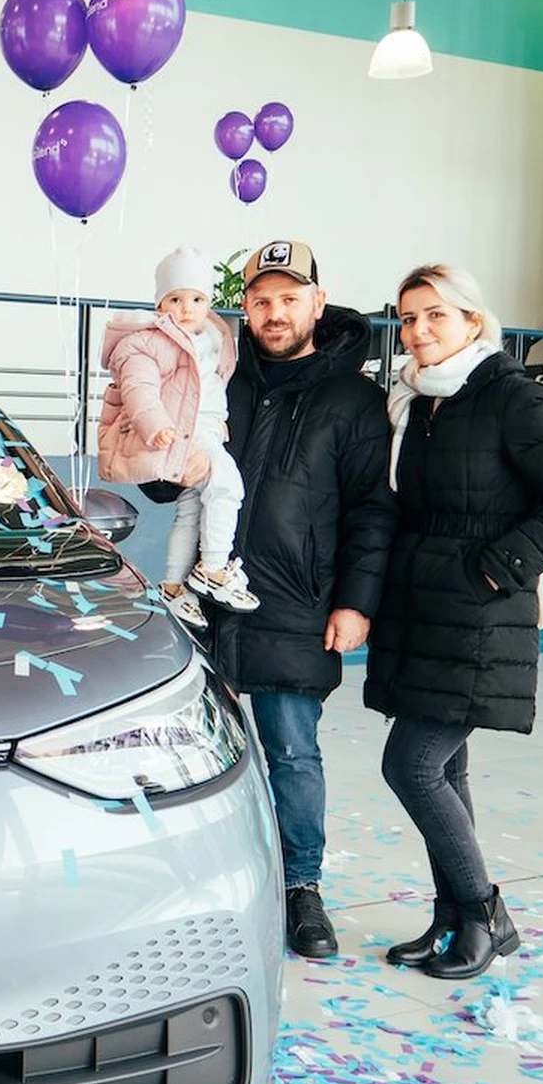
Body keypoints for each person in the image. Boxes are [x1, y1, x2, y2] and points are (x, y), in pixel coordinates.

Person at [365, 265, 543, 978]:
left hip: (476, 609)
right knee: (448, 767)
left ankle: (485, 913)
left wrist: (497, 568)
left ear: (473, 320)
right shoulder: (418, 403)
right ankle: (452, 920)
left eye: (435, 315)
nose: (419, 331)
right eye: (408, 319)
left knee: (410, 764)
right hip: (423, 608)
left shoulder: (513, 398)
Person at [211, 239, 396, 959]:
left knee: (291, 753)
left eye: (290, 298)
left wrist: (355, 602)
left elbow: (373, 510)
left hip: (298, 601)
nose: (275, 311)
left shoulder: (354, 399)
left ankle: (301, 890)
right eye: (261, 299)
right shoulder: (222, 381)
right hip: (212, 597)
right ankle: (216, 885)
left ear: (318, 302)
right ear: (246, 307)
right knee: (200, 755)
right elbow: (177, 480)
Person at [99, 246, 258, 628]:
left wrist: (219, 422)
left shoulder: (216, 341)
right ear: (160, 305)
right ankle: (215, 567)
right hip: (180, 433)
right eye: (176, 299)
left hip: (206, 431)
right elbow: (140, 388)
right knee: (227, 487)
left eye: (197, 299)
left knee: (191, 509)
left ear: (209, 303)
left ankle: (173, 584)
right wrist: (155, 426)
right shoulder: (147, 341)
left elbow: (212, 387)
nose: (187, 308)